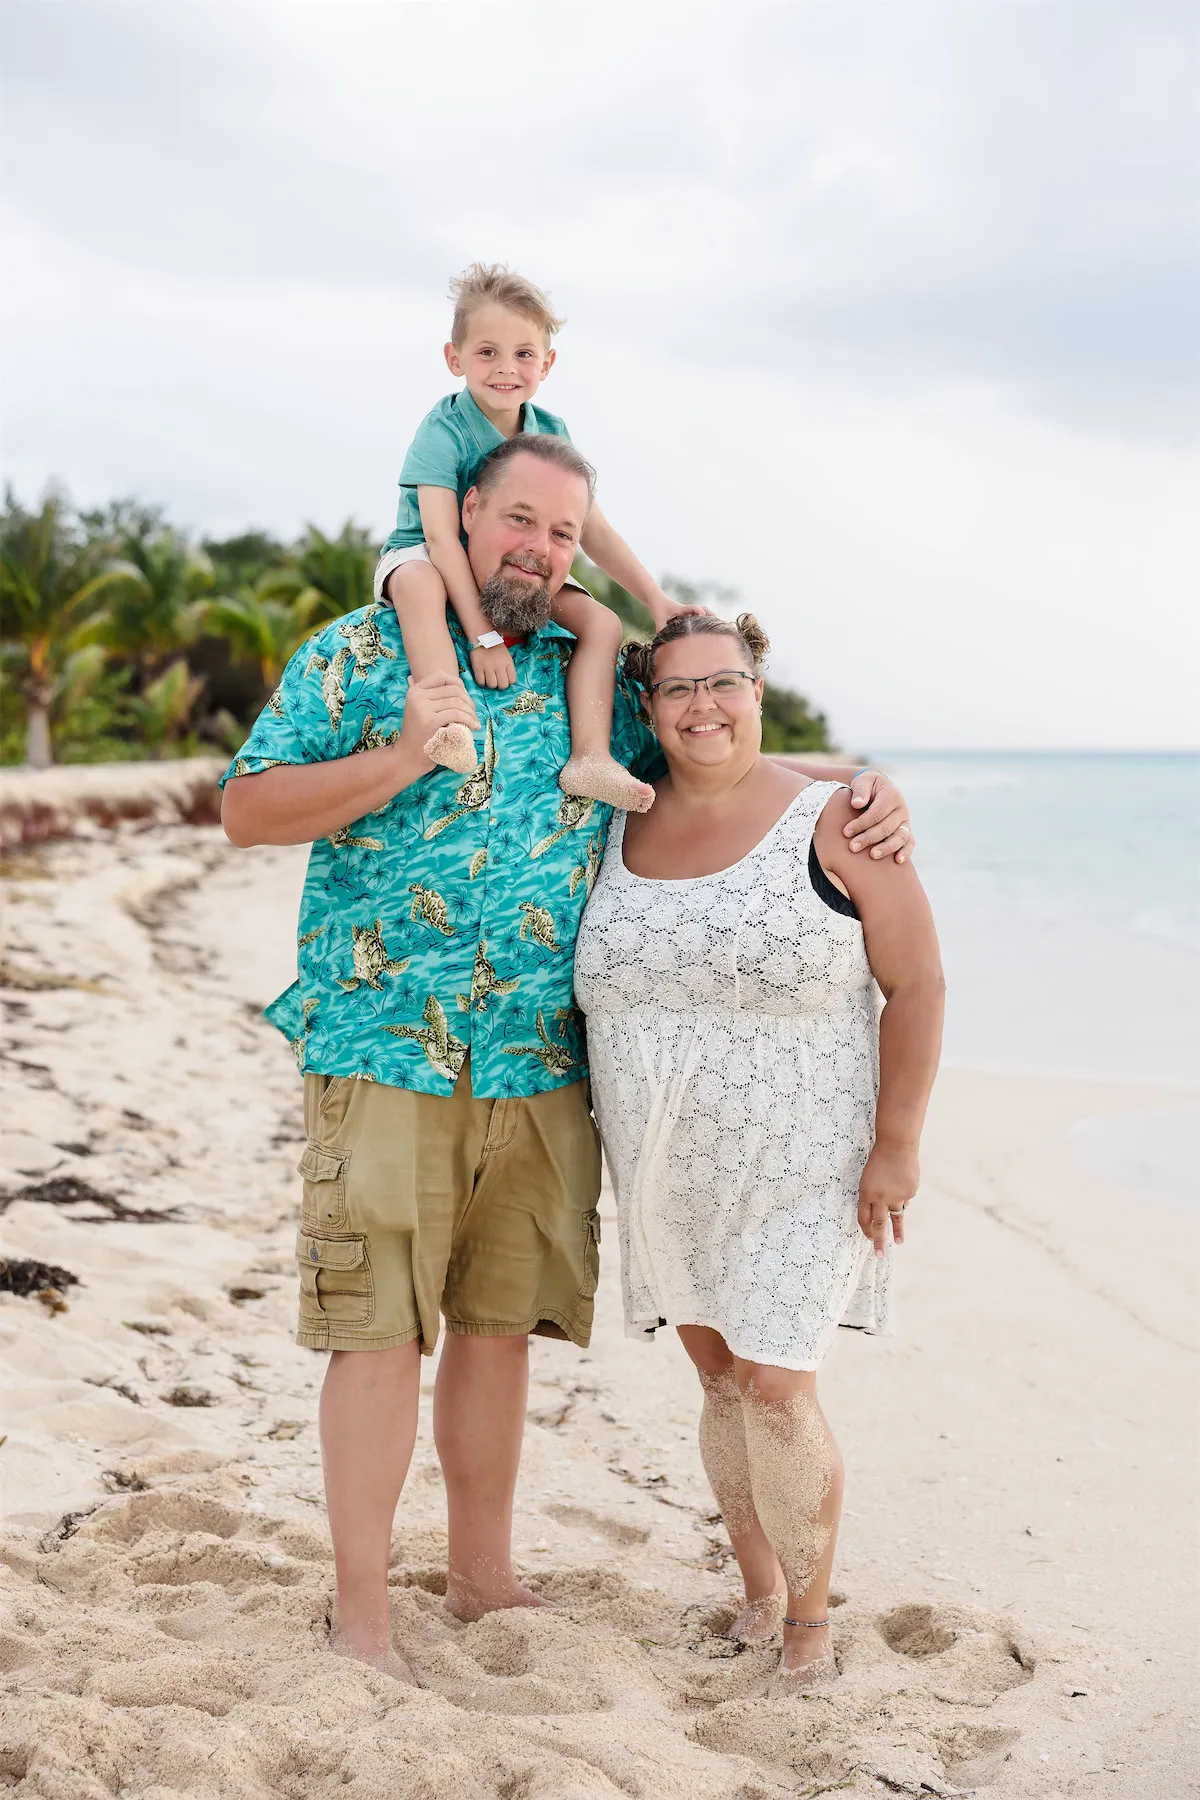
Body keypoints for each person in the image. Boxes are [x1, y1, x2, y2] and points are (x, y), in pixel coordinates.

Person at [219, 434, 916, 1681]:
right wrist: (398, 760)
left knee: (498, 1331)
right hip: (384, 1048)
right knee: (377, 1335)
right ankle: (363, 1611)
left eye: (563, 533)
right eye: (520, 521)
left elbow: (718, 767)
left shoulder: (592, 681)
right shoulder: (361, 649)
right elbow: (247, 809)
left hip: (546, 1068)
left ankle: (482, 1580)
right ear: (463, 516)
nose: (539, 550)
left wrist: (854, 793)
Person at [574, 611, 945, 1696]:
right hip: (661, 1168)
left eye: (723, 682)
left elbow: (915, 985)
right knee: (723, 1383)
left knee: (777, 1385)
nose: (703, 706)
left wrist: (899, 1146)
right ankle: (756, 1592)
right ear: (647, 711)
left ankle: (811, 1628)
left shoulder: (836, 821)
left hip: (809, 1164)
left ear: (758, 689)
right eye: (678, 689)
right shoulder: (612, 821)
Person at [376, 261, 698, 812]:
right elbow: (440, 535)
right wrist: (483, 636)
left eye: (524, 354)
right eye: (487, 352)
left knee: (602, 621)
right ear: (454, 358)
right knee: (420, 586)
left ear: (547, 364)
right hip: (429, 552)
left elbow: (590, 528)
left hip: (521, 561)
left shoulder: (551, 432)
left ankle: (591, 758)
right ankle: (448, 722)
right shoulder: (442, 431)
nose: (506, 368)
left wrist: (656, 599)